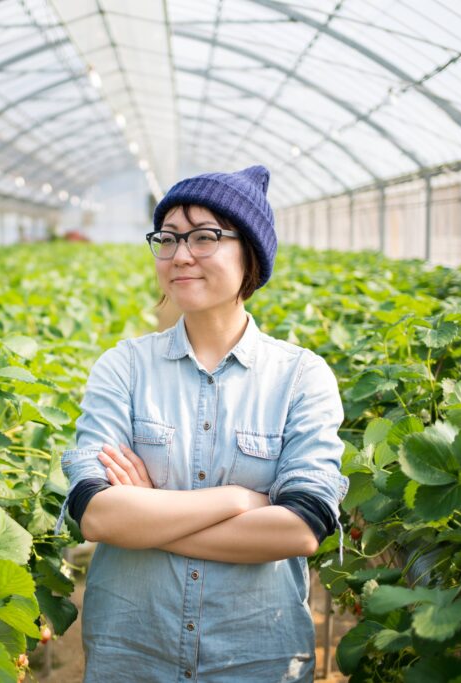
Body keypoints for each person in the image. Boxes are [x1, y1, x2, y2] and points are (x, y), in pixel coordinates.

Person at [54, 165, 349, 682]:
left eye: (205, 237)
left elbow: (302, 529)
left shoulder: (302, 377)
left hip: (256, 658)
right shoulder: (122, 367)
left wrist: (146, 518)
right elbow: (98, 518)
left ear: (250, 253)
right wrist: (238, 501)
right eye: (166, 239)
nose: (181, 254)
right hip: (132, 655)